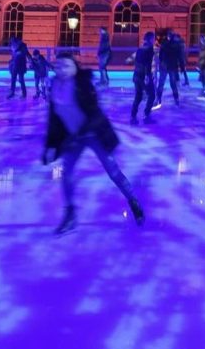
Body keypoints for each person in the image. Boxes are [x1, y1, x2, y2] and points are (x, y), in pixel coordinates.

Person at [42, 52, 144, 234]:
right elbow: (54, 119)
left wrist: (79, 134)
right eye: (58, 66)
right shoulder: (55, 86)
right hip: (72, 137)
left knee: (113, 171)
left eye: (66, 66)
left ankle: (133, 200)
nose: (62, 70)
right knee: (67, 175)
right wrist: (50, 145)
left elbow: (96, 114)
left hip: (93, 134)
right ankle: (70, 214)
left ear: (75, 67)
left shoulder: (83, 85)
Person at [128, 31, 156, 123]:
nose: (154, 40)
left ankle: (133, 116)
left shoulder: (140, 49)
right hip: (144, 76)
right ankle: (146, 115)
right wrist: (148, 76)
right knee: (151, 95)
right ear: (150, 39)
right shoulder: (150, 49)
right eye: (153, 38)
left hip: (136, 75)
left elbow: (136, 62)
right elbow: (147, 64)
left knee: (138, 96)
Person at [156, 31, 182, 106]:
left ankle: (158, 98)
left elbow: (160, 55)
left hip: (165, 65)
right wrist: (180, 66)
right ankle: (176, 99)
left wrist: (161, 62)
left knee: (161, 83)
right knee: (173, 84)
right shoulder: (176, 45)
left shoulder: (164, 44)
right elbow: (179, 57)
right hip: (172, 66)